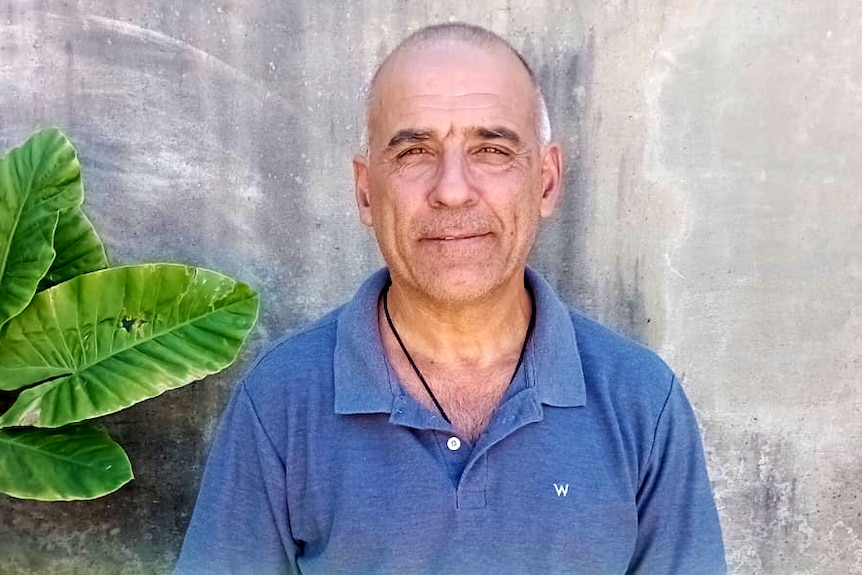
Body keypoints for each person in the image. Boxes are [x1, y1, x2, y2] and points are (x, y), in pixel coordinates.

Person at [174, 22, 726, 575]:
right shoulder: (281, 402)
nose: (452, 189)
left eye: (491, 149)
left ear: (547, 182)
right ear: (366, 191)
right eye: (414, 152)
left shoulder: (641, 402)